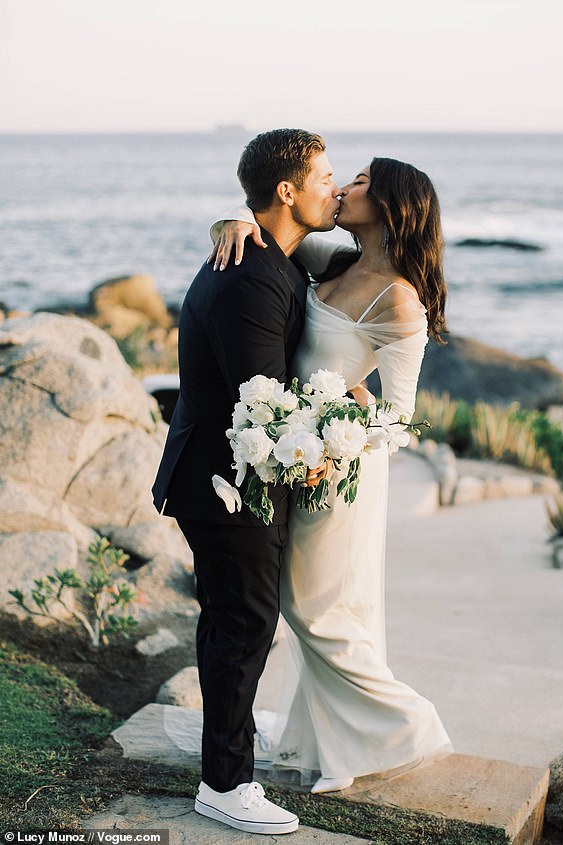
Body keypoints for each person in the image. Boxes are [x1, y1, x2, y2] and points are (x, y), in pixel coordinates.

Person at [210, 156, 453, 795]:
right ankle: (332, 738)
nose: (344, 188)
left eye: (363, 183)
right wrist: (230, 220)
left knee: (312, 608)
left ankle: (408, 724)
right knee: (307, 604)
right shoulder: (334, 261)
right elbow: (272, 231)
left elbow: (400, 419)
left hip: (340, 469)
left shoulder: (400, 299)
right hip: (297, 455)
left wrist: (337, 433)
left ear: (395, 204)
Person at [151, 128, 340, 835]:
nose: (334, 187)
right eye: (323, 176)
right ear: (286, 190)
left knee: (234, 618)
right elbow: (260, 397)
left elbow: (362, 252)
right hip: (226, 482)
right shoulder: (249, 275)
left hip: (232, 474)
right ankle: (226, 783)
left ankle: (224, 749)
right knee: (245, 620)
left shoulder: (271, 254)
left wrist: (236, 217)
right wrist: (319, 443)